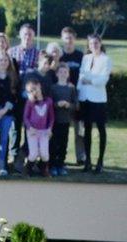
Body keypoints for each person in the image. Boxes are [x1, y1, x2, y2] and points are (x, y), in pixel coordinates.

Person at [78, 34, 111, 174]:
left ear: (100, 43)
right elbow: (81, 76)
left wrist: (90, 79)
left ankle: (100, 162)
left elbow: (103, 80)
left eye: (96, 43)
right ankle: (88, 162)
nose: (94, 46)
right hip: (85, 99)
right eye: (91, 43)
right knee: (86, 130)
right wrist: (81, 89)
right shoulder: (86, 58)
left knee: (101, 130)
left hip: (98, 100)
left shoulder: (106, 59)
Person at [8, 23, 40, 166]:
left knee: (30, 127)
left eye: (30, 34)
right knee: (15, 127)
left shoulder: (38, 54)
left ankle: (26, 155)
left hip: (31, 99)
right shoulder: (11, 52)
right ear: (20, 35)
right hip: (15, 96)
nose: (27, 37)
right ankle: (14, 156)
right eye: (25, 34)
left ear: (33, 36)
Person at [58, 26, 86, 164]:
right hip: (62, 95)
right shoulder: (59, 56)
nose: (68, 40)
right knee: (60, 128)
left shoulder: (80, 56)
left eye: (71, 38)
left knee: (79, 129)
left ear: (74, 39)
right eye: (66, 37)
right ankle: (57, 155)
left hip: (77, 96)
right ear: (62, 39)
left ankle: (81, 157)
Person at [49, 62, 77, 176]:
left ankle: (60, 165)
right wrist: (57, 104)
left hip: (65, 121)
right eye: (60, 72)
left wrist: (68, 105)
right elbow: (49, 104)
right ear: (56, 74)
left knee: (63, 144)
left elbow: (76, 104)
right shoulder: (53, 87)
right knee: (53, 144)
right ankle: (52, 166)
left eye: (65, 72)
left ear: (68, 74)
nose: (63, 74)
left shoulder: (71, 88)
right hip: (54, 121)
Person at [22, 79, 54, 177]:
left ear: (39, 86)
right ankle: (27, 170)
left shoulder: (48, 101)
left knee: (45, 154)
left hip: (44, 131)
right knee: (33, 153)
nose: (33, 92)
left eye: (34, 89)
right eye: (30, 91)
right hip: (32, 131)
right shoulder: (30, 102)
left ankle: (44, 169)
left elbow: (51, 117)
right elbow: (25, 117)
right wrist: (30, 127)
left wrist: (49, 128)